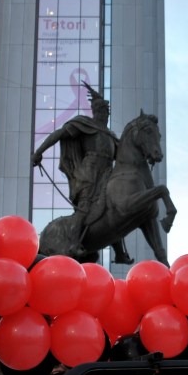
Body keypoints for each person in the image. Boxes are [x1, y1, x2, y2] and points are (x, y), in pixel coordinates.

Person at [31, 81, 119, 257]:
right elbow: (59, 134)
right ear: (95, 111)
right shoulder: (85, 124)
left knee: (116, 206)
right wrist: (39, 151)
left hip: (108, 173)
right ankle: (73, 243)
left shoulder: (111, 135)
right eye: (101, 110)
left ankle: (120, 251)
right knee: (85, 206)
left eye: (106, 111)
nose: (104, 114)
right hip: (89, 172)